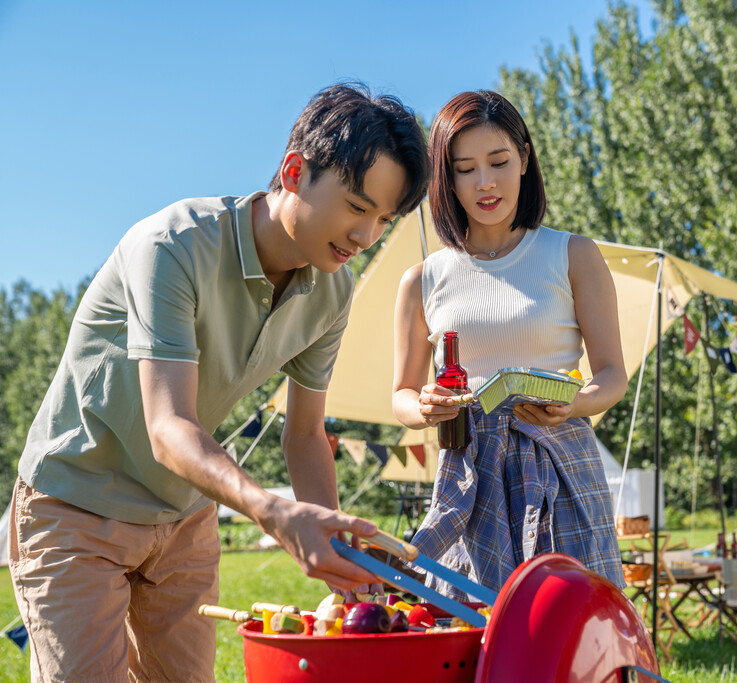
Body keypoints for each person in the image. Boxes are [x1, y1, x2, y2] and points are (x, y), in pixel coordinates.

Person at [8, 82, 429, 682]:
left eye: (383, 220)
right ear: (293, 171)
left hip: (183, 515)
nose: (365, 237)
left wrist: (340, 546)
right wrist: (275, 513)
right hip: (76, 502)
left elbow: (305, 437)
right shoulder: (173, 246)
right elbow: (168, 425)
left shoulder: (332, 290)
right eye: (357, 207)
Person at [392, 90, 627, 597]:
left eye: (498, 161)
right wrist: (424, 406)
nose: (485, 183)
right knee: (471, 629)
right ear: (445, 177)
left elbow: (612, 376)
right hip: (468, 473)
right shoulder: (422, 279)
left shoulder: (572, 254)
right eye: (464, 168)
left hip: (562, 462)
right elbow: (402, 395)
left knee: (570, 623)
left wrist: (572, 403)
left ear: (524, 156)